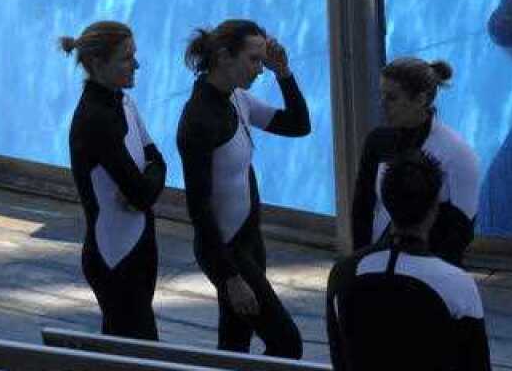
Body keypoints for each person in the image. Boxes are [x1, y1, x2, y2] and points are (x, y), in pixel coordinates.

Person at [176, 19, 310, 358]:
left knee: (234, 346)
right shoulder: (198, 119)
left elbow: (298, 125)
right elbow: (199, 208)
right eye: (254, 60)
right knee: (286, 343)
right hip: (226, 252)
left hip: (250, 241)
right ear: (224, 56)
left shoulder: (238, 99)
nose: (259, 69)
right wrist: (231, 278)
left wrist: (284, 73)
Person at [328, 150, 491, 371]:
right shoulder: (458, 284)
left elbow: (340, 358)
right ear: (435, 209)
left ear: (385, 201)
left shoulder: (343, 273)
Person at [63, 21, 166, 340]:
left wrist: (149, 177)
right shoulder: (95, 120)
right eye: (125, 57)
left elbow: (158, 161)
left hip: (139, 248)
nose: (136, 64)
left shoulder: (124, 101)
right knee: (142, 354)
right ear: (97, 64)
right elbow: (141, 194)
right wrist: (148, 180)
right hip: (115, 259)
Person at [352, 57, 480, 266]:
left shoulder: (458, 155)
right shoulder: (377, 141)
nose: (382, 104)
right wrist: (360, 264)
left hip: (431, 272)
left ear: (421, 99)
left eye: (391, 97)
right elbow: (362, 209)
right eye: (381, 95)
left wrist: (430, 276)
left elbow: (461, 234)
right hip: (380, 262)